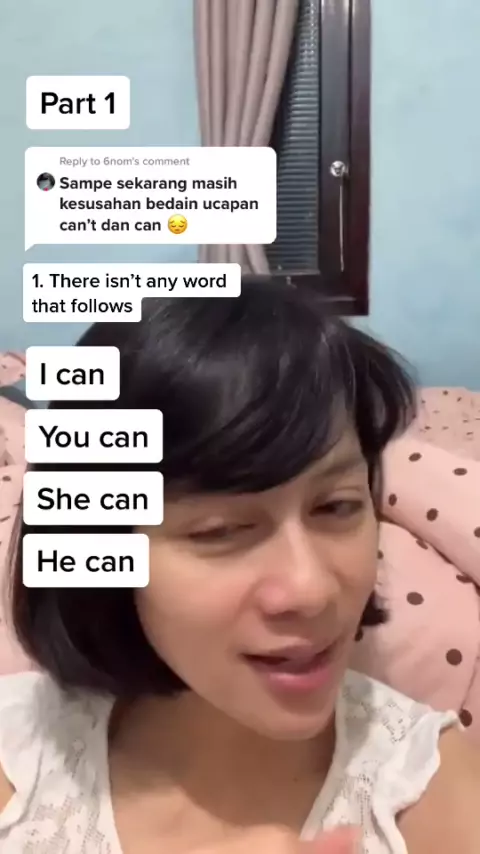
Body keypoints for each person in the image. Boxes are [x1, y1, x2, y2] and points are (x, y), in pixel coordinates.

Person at [0, 280, 479, 853]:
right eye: (219, 530)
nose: (310, 589)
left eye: (336, 507)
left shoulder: (428, 788)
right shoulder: (19, 753)